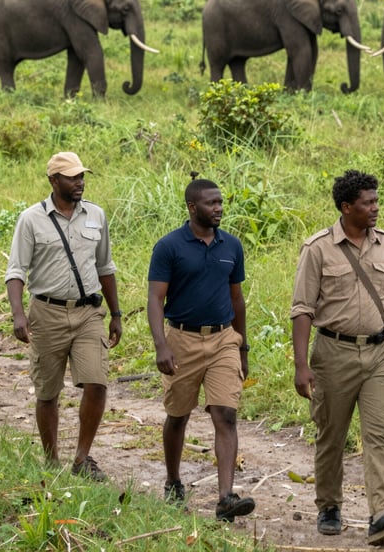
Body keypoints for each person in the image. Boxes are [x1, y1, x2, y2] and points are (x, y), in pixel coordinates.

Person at [291, 169, 384, 547]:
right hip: (333, 353)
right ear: (347, 207)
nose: (376, 208)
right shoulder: (318, 249)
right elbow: (302, 309)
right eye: (368, 202)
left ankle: (383, 514)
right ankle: (329, 506)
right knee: (332, 436)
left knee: (381, 435)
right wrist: (301, 365)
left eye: (377, 201)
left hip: (380, 354)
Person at [5, 152, 122, 479]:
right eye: (72, 177)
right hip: (47, 313)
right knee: (47, 392)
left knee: (97, 383)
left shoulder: (95, 215)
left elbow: (105, 267)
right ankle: (51, 458)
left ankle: (82, 459)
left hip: (88, 314)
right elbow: (16, 271)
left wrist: (116, 313)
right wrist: (18, 315)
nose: (80, 182)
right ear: (53, 181)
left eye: (82, 176)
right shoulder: (31, 219)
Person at [147, 177, 255, 522]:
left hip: (224, 338)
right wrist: (161, 345)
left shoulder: (231, 246)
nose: (219, 208)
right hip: (182, 339)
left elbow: (236, 298)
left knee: (225, 414)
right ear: (192, 207)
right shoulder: (169, 247)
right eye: (211, 203)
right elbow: (155, 298)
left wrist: (243, 346)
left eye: (220, 202)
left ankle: (225, 497)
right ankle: (174, 481)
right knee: (178, 416)